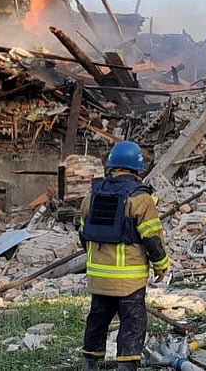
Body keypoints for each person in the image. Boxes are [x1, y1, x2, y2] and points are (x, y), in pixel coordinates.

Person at [79, 141, 169, 371]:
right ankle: (126, 367)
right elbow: (152, 238)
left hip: (98, 279)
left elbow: (83, 234)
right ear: (137, 168)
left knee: (97, 320)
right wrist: (161, 266)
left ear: (111, 165)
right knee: (133, 324)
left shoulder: (92, 196)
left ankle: (90, 364)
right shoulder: (140, 199)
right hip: (129, 280)